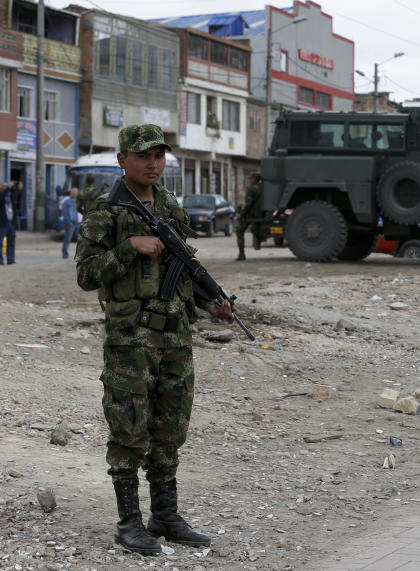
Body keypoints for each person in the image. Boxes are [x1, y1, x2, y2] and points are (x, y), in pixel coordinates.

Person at [76, 124, 236, 556]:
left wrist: (211, 304)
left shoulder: (168, 205)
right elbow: (86, 275)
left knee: (170, 428)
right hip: (130, 339)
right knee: (129, 430)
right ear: (122, 159)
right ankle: (128, 523)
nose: (153, 164)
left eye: (159, 156)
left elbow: (181, 268)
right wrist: (129, 246)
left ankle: (165, 516)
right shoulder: (106, 210)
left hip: (175, 337)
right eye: (144, 156)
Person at [235, 172, 263, 261]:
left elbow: (248, 204)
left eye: (250, 178)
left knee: (239, 230)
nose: (249, 180)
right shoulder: (262, 187)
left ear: (254, 179)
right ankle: (257, 242)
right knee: (255, 229)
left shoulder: (251, 189)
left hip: (251, 213)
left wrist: (241, 214)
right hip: (260, 212)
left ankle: (241, 254)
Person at [0, 180, 19, 265]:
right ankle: (0, 260)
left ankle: (10, 259)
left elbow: (17, 196)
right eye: (3, 186)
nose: (6, 187)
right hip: (3, 223)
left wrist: (14, 187)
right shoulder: (1, 195)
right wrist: (7, 188)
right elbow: (1, 199)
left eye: (6, 186)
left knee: (11, 242)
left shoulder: (10, 195)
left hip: (11, 222)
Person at [62, 187, 80, 259]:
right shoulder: (67, 202)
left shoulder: (79, 202)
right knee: (67, 239)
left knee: (80, 240)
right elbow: (65, 213)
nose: (75, 194)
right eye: (73, 193)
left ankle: (80, 255)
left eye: (76, 193)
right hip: (70, 224)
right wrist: (68, 222)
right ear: (70, 193)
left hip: (78, 223)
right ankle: (65, 254)